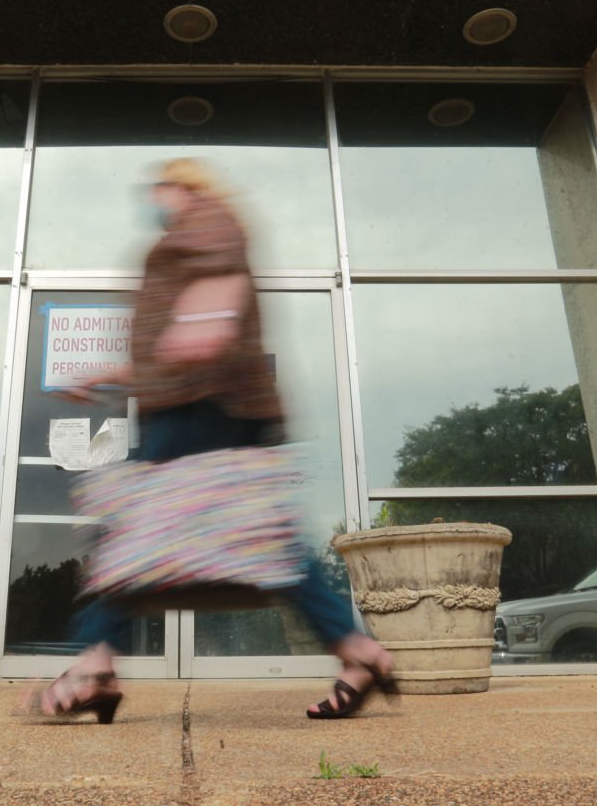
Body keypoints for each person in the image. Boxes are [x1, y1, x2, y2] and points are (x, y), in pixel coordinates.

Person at [37, 158, 397, 723]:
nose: (155, 197)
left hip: (201, 404)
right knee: (264, 536)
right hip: (207, 400)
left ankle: (96, 664)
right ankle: (358, 651)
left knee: (129, 530)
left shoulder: (206, 215)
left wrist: (208, 319)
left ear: (188, 187)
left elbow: (222, 270)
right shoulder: (186, 235)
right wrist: (107, 374)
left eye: (163, 186)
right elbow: (170, 343)